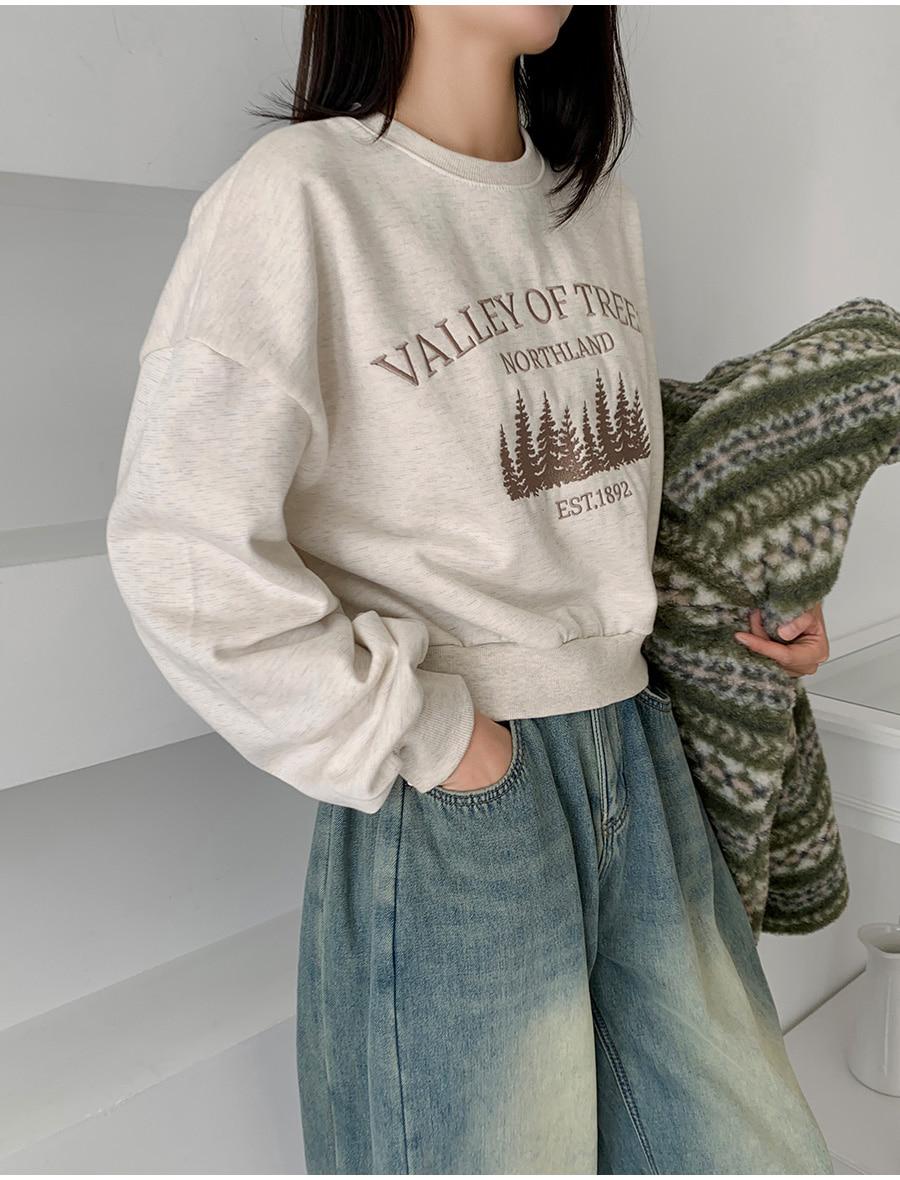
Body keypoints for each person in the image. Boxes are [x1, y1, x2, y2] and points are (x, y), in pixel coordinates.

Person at [105, 5, 834, 1174]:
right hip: (461, 790)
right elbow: (179, 545)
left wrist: (741, 609)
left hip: (639, 757)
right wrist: (442, 742)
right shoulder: (301, 197)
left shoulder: (599, 213)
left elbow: (589, 512)